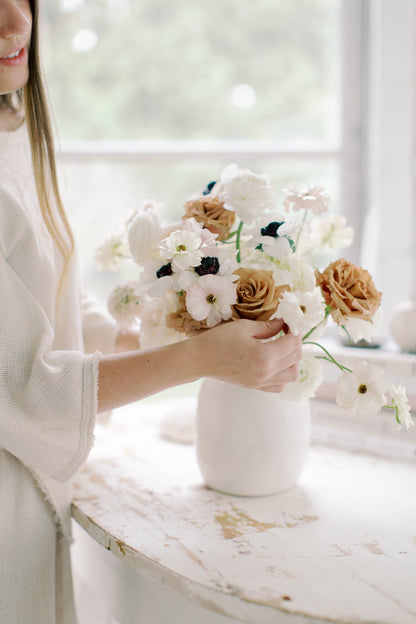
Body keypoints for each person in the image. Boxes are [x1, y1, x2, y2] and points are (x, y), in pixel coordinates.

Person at [0, 1, 302, 622]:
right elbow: (20, 390)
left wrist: (122, 335)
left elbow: (34, 291)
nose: (15, 25)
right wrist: (194, 358)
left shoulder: (12, 121)